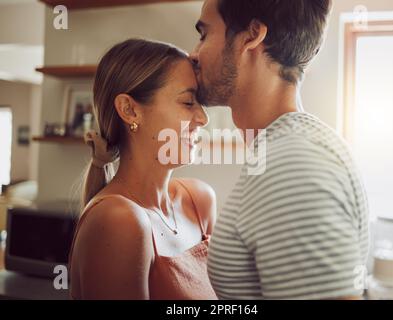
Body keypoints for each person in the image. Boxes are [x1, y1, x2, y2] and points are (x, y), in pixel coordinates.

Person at [190, 0, 369, 299]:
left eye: (204, 34)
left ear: (251, 36)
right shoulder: (291, 148)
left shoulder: (293, 165)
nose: (194, 54)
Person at [68, 39, 217, 300]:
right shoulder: (118, 220)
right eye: (188, 102)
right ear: (130, 110)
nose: (203, 118)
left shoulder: (199, 201)